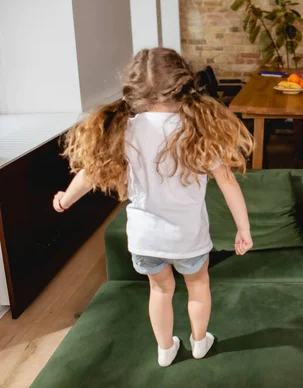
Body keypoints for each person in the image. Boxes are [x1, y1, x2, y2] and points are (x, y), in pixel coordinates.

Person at [52, 48, 254, 367]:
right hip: (189, 238)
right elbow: (228, 182)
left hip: (146, 239)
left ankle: (165, 349)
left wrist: (65, 198)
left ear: (135, 90)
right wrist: (243, 228)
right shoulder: (199, 131)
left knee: (160, 291)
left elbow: (89, 172)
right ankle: (200, 342)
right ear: (185, 86)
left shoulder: (126, 130)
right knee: (198, 287)